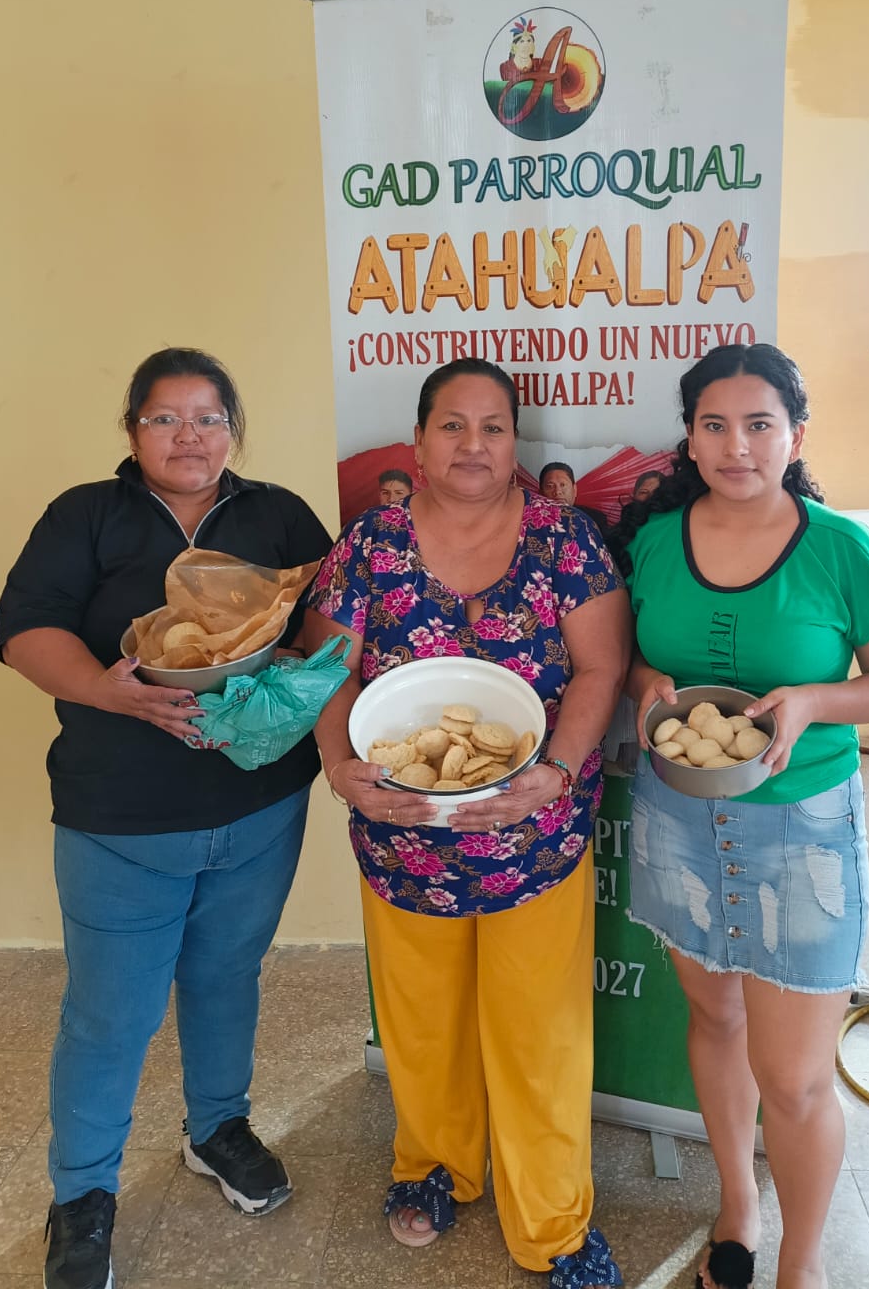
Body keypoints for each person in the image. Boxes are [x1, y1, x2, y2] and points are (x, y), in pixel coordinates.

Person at [0, 347, 332, 1289]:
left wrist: (305, 672)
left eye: (208, 418)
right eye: (165, 418)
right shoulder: (86, 515)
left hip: (260, 803)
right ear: (133, 429)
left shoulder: (277, 515)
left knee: (227, 975)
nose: (189, 437)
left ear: (234, 429)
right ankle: (82, 1197)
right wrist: (110, 692)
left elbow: (326, 621)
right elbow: (25, 629)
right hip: (122, 816)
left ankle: (217, 1128)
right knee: (112, 1014)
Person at [306, 357, 631, 1289]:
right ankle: (434, 1167)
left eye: (493, 427)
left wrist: (554, 773)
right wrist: (339, 768)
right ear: (419, 441)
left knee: (540, 1034)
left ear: (515, 442)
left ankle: (554, 1224)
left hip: (534, 837)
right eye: (452, 425)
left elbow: (601, 670)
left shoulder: (565, 541)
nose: (473, 445)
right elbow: (329, 672)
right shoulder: (370, 544)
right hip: (402, 835)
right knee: (421, 1023)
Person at [609, 344, 869, 1289]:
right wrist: (648, 682)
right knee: (715, 1018)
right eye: (714, 425)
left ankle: (804, 1261)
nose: (736, 446)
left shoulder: (841, 548)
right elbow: (629, 657)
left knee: (795, 1078)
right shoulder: (655, 541)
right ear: (690, 438)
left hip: (801, 831)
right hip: (678, 816)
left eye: (759, 425)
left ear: (796, 435)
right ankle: (738, 1204)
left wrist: (813, 701)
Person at [540, 459, 610, 537]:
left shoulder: (595, 519)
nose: (557, 491)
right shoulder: (531, 521)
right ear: (540, 492)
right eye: (550, 486)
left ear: (574, 490)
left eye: (563, 485)